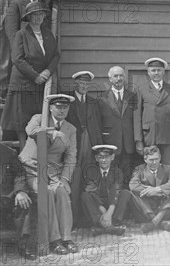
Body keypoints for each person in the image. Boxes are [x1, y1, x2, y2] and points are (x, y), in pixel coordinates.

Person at [18, 94, 79, 254]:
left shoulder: (70, 129)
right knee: (48, 193)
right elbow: (30, 130)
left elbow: (71, 157)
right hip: (32, 170)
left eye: (65, 107)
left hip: (53, 173)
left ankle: (67, 238)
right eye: (58, 107)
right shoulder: (39, 118)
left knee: (62, 192)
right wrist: (51, 133)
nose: (61, 110)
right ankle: (54, 240)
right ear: (50, 107)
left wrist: (64, 179)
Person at [0, 2, 59, 148]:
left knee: (38, 118)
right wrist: (35, 76)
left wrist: (47, 72)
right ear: (29, 17)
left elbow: (56, 56)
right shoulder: (21, 34)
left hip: (41, 83)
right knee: (22, 121)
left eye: (41, 14)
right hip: (23, 83)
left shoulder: (47, 33)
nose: (38, 17)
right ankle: (23, 152)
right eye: (35, 14)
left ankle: (36, 154)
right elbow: (17, 59)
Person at [66, 70, 103, 225]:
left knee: (90, 179)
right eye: (81, 83)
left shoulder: (94, 102)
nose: (84, 86)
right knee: (74, 180)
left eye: (87, 84)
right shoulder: (68, 100)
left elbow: (98, 125)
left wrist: (99, 146)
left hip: (91, 143)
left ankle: (90, 219)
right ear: (76, 83)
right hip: (75, 144)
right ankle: (73, 219)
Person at [134, 57, 170, 169]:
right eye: (153, 70)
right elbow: (137, 117)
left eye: (159, 70)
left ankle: (169, 187)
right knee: (152, 167)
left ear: (163, 71)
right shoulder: (141, 90)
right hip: (150, 136)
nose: (156, 73)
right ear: (148, 72)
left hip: (169, 136)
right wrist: (138, 140)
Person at [97, 65, 139, 180]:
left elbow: (136, 119)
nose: (119, 78)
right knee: (112, 175)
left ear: (124, 77)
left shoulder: (132, 96)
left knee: (128, 174)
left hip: (128, 143)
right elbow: (99, 123)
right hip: (111, 142)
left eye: (121, 75)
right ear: (110, 79)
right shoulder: (102, 98)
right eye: (115, 76)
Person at [127, 145, 170, 233]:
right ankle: (157, 221)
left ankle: (154, 222)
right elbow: (132, 185)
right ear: (145, 159)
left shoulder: (167, 169)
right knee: (133, 193)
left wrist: (158, 189)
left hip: (163, 207)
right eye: (151, 160)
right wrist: (150, 192)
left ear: (160, 158)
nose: (155, 162)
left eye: (157, 159)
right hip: (146, 209)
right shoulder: (139, 169)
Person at [81, 144, 131, 236]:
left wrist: (109, 213)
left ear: (112, 157)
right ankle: (107, 225)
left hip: (112, 203)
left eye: (106, 157)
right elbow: (92, 191)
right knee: (85, 195)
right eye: (100, 157)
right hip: (98, 204)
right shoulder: (91, 171)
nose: (103, 160)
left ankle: (107, 226)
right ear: (96, 158)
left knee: (125, 193)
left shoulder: (117, 172)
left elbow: (115, 191)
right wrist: (104, 213)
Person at [0, 0, 25, 102]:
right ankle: (2, 91)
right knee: (3, 57)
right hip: (2, 24)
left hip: (16, 25)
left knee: (15, 56)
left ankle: (11, 90)